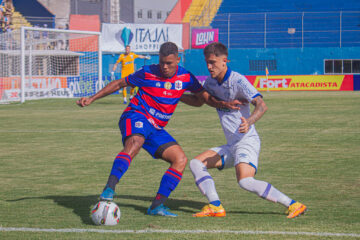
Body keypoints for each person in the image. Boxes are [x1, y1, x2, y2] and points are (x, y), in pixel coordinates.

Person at [77, 42, 240, 217]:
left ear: (178, 60)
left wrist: (220, 104)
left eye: (169, 63)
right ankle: (109, 188)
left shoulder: (185, 77)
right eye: (162, 62)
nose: (164, 66)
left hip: (156, 128)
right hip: (136, 115)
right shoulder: (147, 71)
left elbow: (201, 99)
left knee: (180, 160)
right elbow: (119, 84)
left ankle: (156, 206)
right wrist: (92, 98)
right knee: (135, 142)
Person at [180, 42, 307, 219]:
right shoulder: (210, 82)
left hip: (247, 141)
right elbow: (199, 101)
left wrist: (249, 121)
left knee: (245, 181)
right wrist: (176, 95)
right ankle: (215, 206)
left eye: (212, 62)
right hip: (232, 144)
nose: (209, 67)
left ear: (224, 61)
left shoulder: (238, 81)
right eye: (206, 63)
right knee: (196, 163)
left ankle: (294, 204)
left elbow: (262, 105)